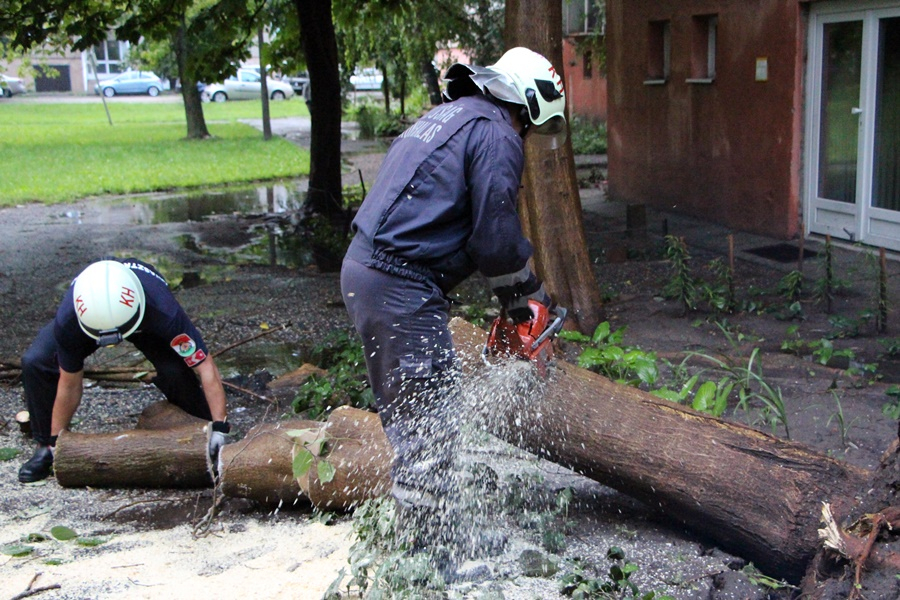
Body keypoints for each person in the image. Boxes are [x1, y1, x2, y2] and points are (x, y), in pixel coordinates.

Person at [340, 47, 567, 572]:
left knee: (430, 411)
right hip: (397, 281)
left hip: (381, 274)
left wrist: (516, 300)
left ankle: (442, 539)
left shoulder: (453, 115)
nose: (530, 135)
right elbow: (495, 236)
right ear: (529, 101)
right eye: (534, 125)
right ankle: (428, 559)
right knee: (427, 424)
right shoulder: (496, 134)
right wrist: (526, 299)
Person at [17, 258, 229, 483]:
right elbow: (69, 383)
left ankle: (201, 429)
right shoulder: (69, 319)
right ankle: (44, 446)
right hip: (90, 323)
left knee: (175, 370)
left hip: (142, 319)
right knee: (35, 360)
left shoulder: (164, 311)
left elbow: (206, 368)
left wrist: (219, 427)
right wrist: (54, 441)